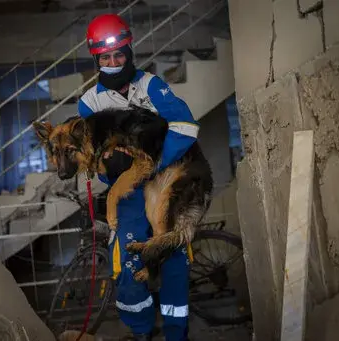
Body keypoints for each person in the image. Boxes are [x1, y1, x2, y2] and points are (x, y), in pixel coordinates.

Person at [77, 13, 199, 341]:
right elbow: (97, 159)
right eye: (106, 57)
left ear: (130, 51)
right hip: (129, 197)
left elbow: (186, 128)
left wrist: (153, 164)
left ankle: (176, 333)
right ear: (96, 58)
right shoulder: (90, 104)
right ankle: (142, 331)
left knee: (173, 261)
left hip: (165, 187)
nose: (114, 62)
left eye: (119, 54)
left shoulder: (152, 87)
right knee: (127, 268)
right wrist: (111, 171)